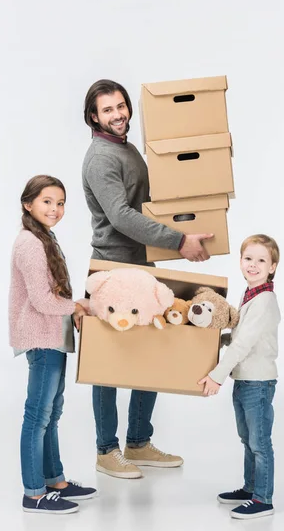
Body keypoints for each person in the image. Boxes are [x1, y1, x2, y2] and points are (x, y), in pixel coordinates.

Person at [82, 79, 214, 479]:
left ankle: (138, 442)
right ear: (93, 117)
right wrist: (178, 241)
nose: (118, 114)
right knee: (107, 363)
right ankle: (107, 451)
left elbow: (151, 200)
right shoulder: (101, 158)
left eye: (121, 106)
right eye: (108, 110)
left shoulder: (127, 148)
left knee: (150, 354)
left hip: (142, 264)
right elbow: (121, 217)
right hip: (112, 267)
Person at [9, 175, 96, 514]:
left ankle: (54, 480)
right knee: (37, 416)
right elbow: (42, 301)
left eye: (60, 203)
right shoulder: (29, 243)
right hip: (41, 337)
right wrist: (77, 305)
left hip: (53, 337)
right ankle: (34, 493)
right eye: (47, 201)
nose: (55, 209)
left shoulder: (44, 238)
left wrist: (72, 308)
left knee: (51, 413)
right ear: (28, 203)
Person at [198, 234, 281, 520]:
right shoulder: (251, 295)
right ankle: (250, 488)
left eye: (261, 260)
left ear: (272, 266)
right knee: (247, 439)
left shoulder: (265, 300)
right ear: (241, 261)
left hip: (258, 382)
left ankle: (263, 499)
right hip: (245, 379)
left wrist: (216, 375)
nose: (253, 265)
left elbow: (244, 345)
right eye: (248, 259)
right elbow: (241, 337)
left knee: (259, 442)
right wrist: (217, 340)